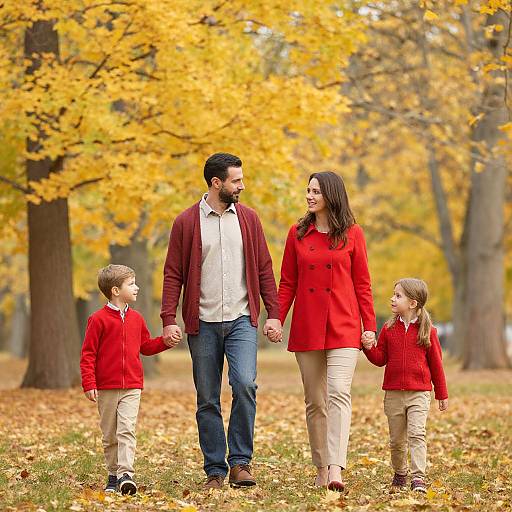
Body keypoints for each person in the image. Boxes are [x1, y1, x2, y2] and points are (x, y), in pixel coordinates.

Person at [160, 152, 282, 489]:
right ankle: (214, 468)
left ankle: (240, 462)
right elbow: (173, 274)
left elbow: (264, 268)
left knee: (245, 385)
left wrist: (274, 313)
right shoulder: (186, 222)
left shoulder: (249, 219)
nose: (242, 186)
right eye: (236, 181)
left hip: (243, 320)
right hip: (203, 323)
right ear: (217, 183)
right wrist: (169, 318)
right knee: (208, 398)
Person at [272, 171, 376, 491]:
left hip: (344, 325)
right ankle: (320, 465)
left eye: (316, 190)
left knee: (338, 393)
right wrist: (276, 317)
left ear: (331, 194)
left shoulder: (353, 234)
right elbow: (287, 281)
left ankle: (335, 468)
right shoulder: (297, 233)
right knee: (315, 401)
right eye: (308, 190)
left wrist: (369, 327)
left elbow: (363, 284)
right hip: (307, 326)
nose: (310, 195)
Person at [80, 264, 173, 495]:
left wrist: (165, 342)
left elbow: (145, 346)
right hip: (107, 387)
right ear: (115, 290)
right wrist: (89, 383)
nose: (137, 287)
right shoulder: (98, 319)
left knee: (126, 430)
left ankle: (126, 475)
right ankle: (112, 475)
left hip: (132, 385)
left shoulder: (137, 318)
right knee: (110, 435)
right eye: (131, 284)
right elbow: (88, 354)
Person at [362, 278, 448, 493]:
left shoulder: (428, 331)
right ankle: (400, 472)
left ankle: (418, 477)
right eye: (393, 294)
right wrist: (367, 347)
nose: (392, 298)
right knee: (396, 440)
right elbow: (380, 358)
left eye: (398, 295)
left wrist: (442, 393)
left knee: (417, 434)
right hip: (393, 394)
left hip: (419, 393)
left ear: (413, 303)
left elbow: (436, 364)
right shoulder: (389, 328)